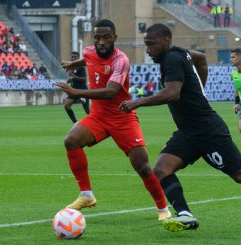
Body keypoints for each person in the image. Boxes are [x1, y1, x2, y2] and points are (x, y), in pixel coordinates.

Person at [119, 23, 241, 232]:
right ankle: (185, 214)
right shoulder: (180, 53)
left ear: (165, 41)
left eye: (150, 44)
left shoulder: (172, 58)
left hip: (208, 130)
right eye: (146, 44)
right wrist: (201, 90)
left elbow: (173, 93)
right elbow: (201, 59)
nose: (147, 50)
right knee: (162, 168)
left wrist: (138, 102)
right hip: (188, 132)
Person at [54, 19, 171, 221]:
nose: (101, 42)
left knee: (142, 166)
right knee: (71, 140)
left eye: (106, 37)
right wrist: (72, 63)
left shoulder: (121, 60)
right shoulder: (90, 51)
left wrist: (75, 91)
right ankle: (86, 195)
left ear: (114, 38)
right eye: (97, 37)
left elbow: (111, 91)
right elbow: (88, 58)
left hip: (122, 116)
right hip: (98, 116)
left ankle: (163, 208)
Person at [63, 51, 90, 123]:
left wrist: (73, 76)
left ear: (78, 58)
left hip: (82, 91)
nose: (73, 58)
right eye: (72, 56)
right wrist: (69, 80)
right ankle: (75, 123)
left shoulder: (81, 67)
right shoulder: (71, 67)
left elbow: (84, 79)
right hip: (74, 91)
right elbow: (73, 78)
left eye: (75, 57)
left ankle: (97, 122)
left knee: (87, 110)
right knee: (66, 105)